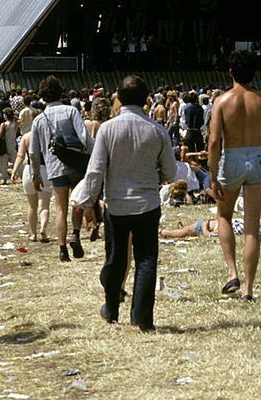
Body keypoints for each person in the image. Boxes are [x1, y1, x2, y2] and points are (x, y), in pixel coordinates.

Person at [75, 75, 176, 332]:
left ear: (118, 97)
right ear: (146, 100)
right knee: (146, 259)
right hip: (148, 204)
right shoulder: (156, 129)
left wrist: (87, 202)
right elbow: (170, 172)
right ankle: (143, 317)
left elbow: (95, 171)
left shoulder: (108, 129)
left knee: (116, 258)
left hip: (116, 204)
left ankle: (111, 308)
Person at [208, 50, 261, 299]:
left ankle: (232, 272)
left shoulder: (222, 101)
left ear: (230, 72)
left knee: (224, 215)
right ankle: (248, 288)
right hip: (257, 157)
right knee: (252, 227)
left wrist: (213, 173)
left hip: (232, 157)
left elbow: (215, 141)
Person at [30, 76, 94, 262]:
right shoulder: (71, 111)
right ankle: (75, 233)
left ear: (43, 96)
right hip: (76, 164)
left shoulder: (39, 120)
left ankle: (62, 249)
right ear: (60, 92)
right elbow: (85, 138)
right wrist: (95, 157)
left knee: (60, 208)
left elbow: (34, 152)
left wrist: (36, 174)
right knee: (77, 203)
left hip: (54, 168)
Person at [12, 117, 51, 243]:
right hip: (45, 171)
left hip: (29, 171)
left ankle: (33, 234)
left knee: (32, 206)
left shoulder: (26, 137)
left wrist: (14, 171)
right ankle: (43, 230)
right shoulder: (49, 136)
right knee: (44, 205)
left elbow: (20, 156)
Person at [0, 108, 17, 184]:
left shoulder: (4, 124)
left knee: (3, 162)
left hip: (4, 145)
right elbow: (20, 119)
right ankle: (19, 175)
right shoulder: (15, 123)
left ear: (6, 115)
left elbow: (0, 136)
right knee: (15, 161)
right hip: (12, 143)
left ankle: (4, 178)